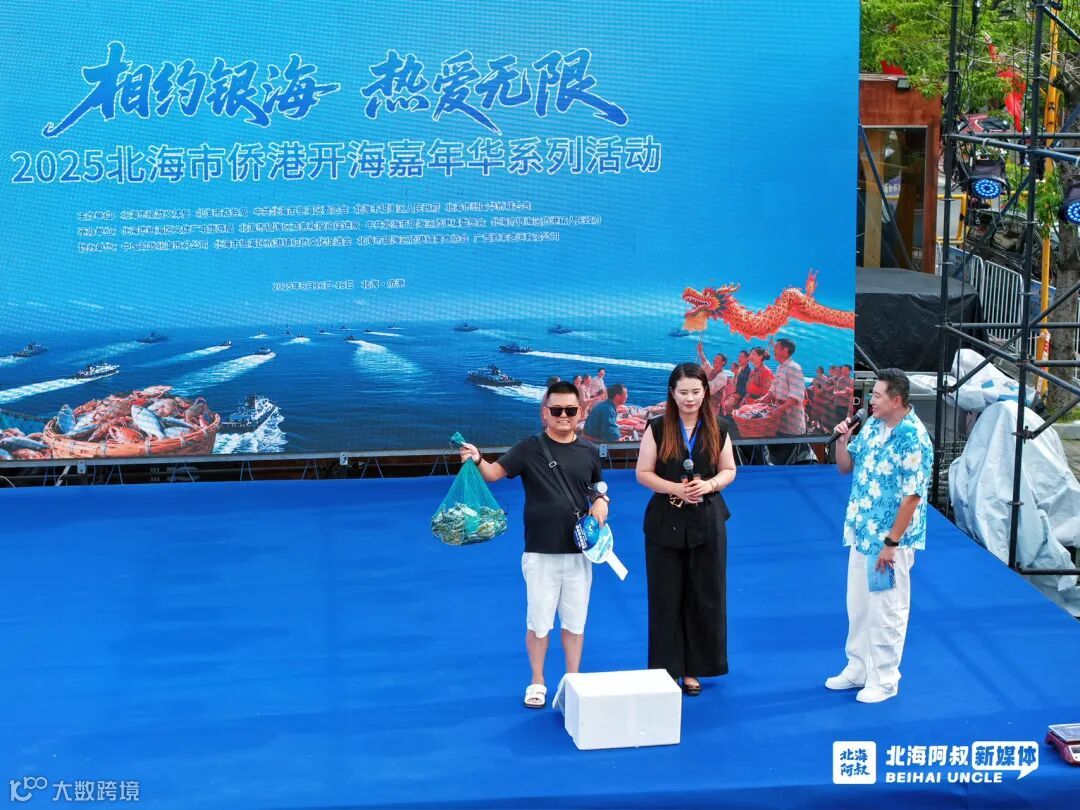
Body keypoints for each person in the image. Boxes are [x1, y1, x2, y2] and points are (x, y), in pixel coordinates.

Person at [459, 381, 610, 710]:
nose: (563, 415)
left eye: (570, 409)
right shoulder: (529, 448)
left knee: (575, 622)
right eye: (556, 410)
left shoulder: (588, 452)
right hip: (540, 552)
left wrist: (602, 503)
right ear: (545, 413)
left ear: (581, 412)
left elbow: (597, 489)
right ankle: (537, 681)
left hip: (580, 553)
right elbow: (494, 474)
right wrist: (477, 459)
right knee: (539, 622)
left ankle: (573, 681)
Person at [828, 369, 933, 703]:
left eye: (876, 395)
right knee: (858, 606)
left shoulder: (913, 437)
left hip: (889, 542)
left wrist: (892, 543)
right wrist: (842, 441)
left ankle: (885, 678)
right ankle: (858, 668)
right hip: (862, 532)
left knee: (887, 609)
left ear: (896, 400)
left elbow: (912, 496)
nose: (869, 400)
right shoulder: (873, 425)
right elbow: (845, 467)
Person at [635, 363, 737, 695]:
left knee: (704, 595)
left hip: (707, 522)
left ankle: (694, 669)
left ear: (705, 392)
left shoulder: (719, 427)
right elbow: (643, 473)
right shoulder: (657, 427)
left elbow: (729, 470)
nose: (690, 398)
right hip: (666, 522)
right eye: (683, 392)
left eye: (695, 391)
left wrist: (709, 485)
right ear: (672, 393)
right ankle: (668, 669)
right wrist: (674, 489)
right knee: (665, 595)